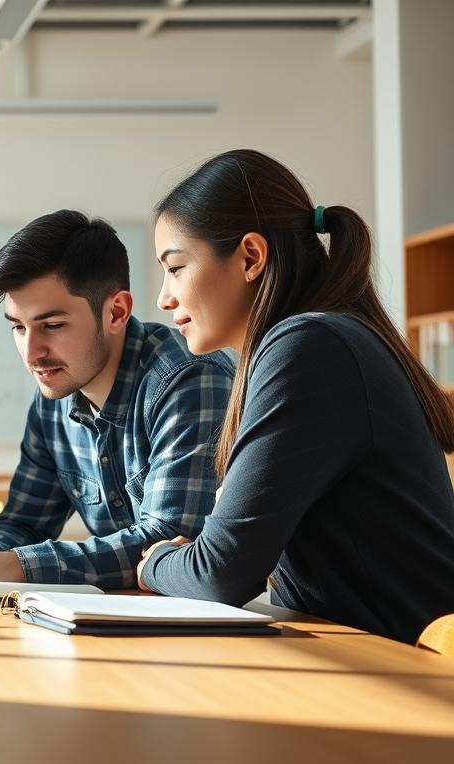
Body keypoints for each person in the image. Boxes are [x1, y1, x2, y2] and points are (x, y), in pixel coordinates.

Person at [136, 149, 454, 643]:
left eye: (175, 268)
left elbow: (221, 572)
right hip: (365, 655)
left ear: (250, 257)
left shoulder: (308, 347)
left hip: (410, 672)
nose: (163, 297)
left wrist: (156, 561)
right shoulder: (316, 340)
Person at [0, 210, 235, 590]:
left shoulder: (188, 379)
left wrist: (13, 564)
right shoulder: (54, 392)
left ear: (116, 311)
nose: (31, 353)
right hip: (111, 620)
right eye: (18, 327)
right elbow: (24, 523)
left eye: (52, 326)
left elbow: (172, 537)